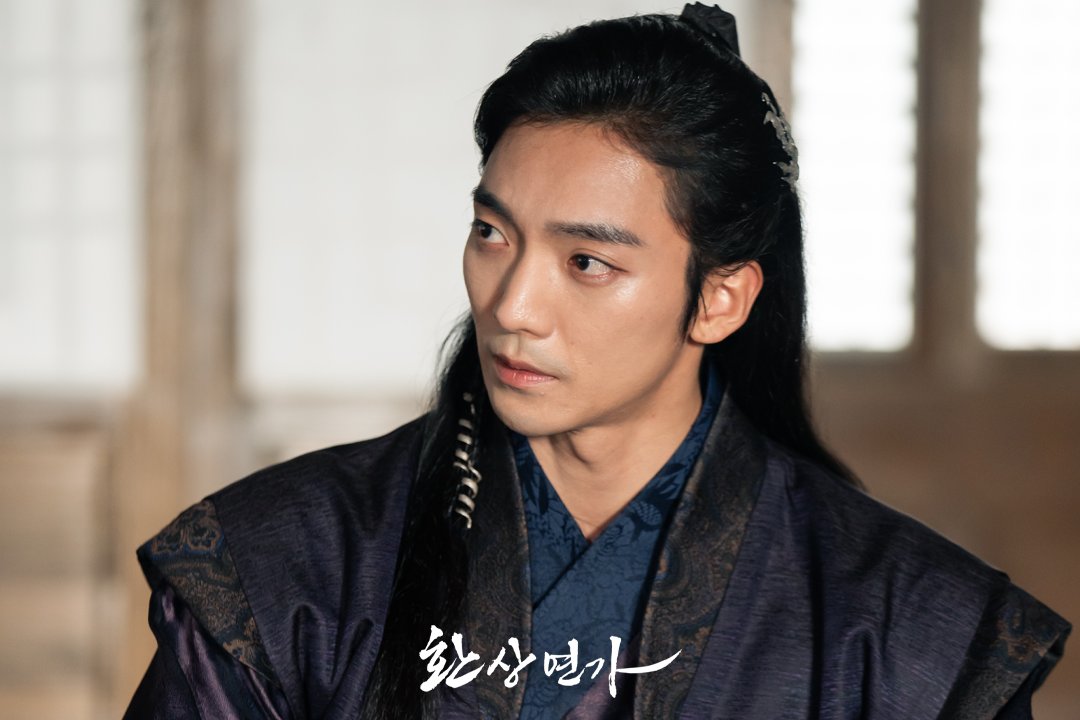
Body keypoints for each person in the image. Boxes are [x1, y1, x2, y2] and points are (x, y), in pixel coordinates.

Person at [124, 5, 1069, 718]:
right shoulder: (286, 569)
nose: (512, 306)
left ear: (720, 298)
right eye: (492, 233)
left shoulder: (905, 632)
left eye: (586, 262)